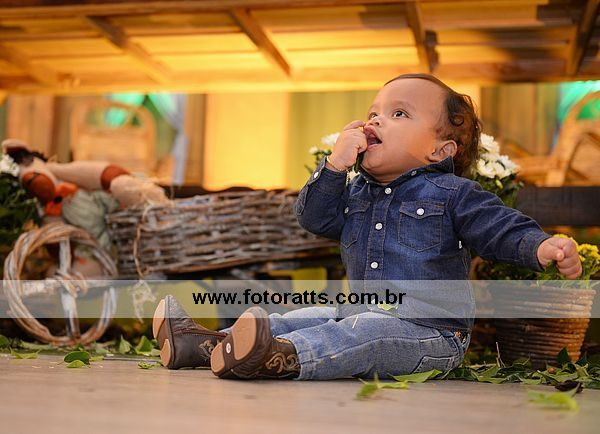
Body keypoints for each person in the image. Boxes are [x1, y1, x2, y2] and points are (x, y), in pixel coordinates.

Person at [153, 74, 582, 380]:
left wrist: (540, 246)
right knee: (305, 316)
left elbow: (499, 227)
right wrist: (335, 166)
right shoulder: (355, 191)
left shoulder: (453, 193)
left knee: (367, 333)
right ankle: (208, 344)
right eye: (373, 113)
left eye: (398, 113)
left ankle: (278, 357)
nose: (375, 121)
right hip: (355, 313)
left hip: (430, 334)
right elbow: (313, 217)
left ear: (440, 151)